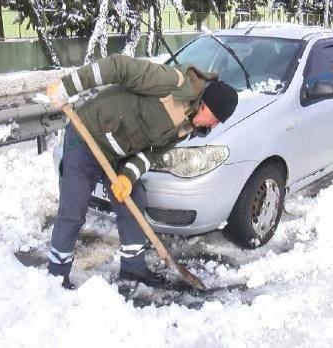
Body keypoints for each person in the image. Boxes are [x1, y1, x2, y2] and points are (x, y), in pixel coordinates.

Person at [46, 54, 238, 289]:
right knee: (73, 210)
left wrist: (128, 176)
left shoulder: (187, 125)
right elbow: (119, 66)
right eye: (217, 119)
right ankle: (56, 274)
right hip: (88, 135)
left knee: (134, 200)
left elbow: (152, 153)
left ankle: (133, 269)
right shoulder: (172, 83)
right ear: (207, 104)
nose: (214, 125)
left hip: (119, 153)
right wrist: (68, 86)